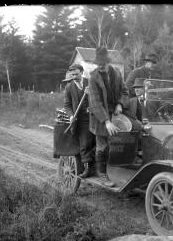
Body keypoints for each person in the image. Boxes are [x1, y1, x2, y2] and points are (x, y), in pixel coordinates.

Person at [88, 46, 142, 186]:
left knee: (138, 127)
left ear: (107, 63)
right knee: (102, 144)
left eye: (103, 65)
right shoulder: (93, 77)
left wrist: (119, 104)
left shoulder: (117, 73)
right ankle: (102, 174)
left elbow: (125, 92)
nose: (101, 67)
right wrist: (106, 121)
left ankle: (133, 162)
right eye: (98, 65)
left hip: (118, 111)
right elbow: (95, 102)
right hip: (100, 116)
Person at [63, 64, 95, 178]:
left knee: (99, 142)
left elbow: (100, 98)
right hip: (80, 120)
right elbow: (67, 105)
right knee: (85, 143)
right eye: (72, 74)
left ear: (82, 72)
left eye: (76, 74)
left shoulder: (90, 83)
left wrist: (91, 94)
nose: (74, 76)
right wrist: (71, 116)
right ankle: (87, 169)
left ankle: (98, 166)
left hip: (95, 118)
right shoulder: (69, 87)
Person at [125, 53, 160, 121]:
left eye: (155, 63)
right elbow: (127, 85)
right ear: (147, 62)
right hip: (134, 104)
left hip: (147, 104)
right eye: (152, 63)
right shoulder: (136, 72)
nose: (154, 65)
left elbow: (150, 91)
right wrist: (139, 95)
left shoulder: (151, 74)